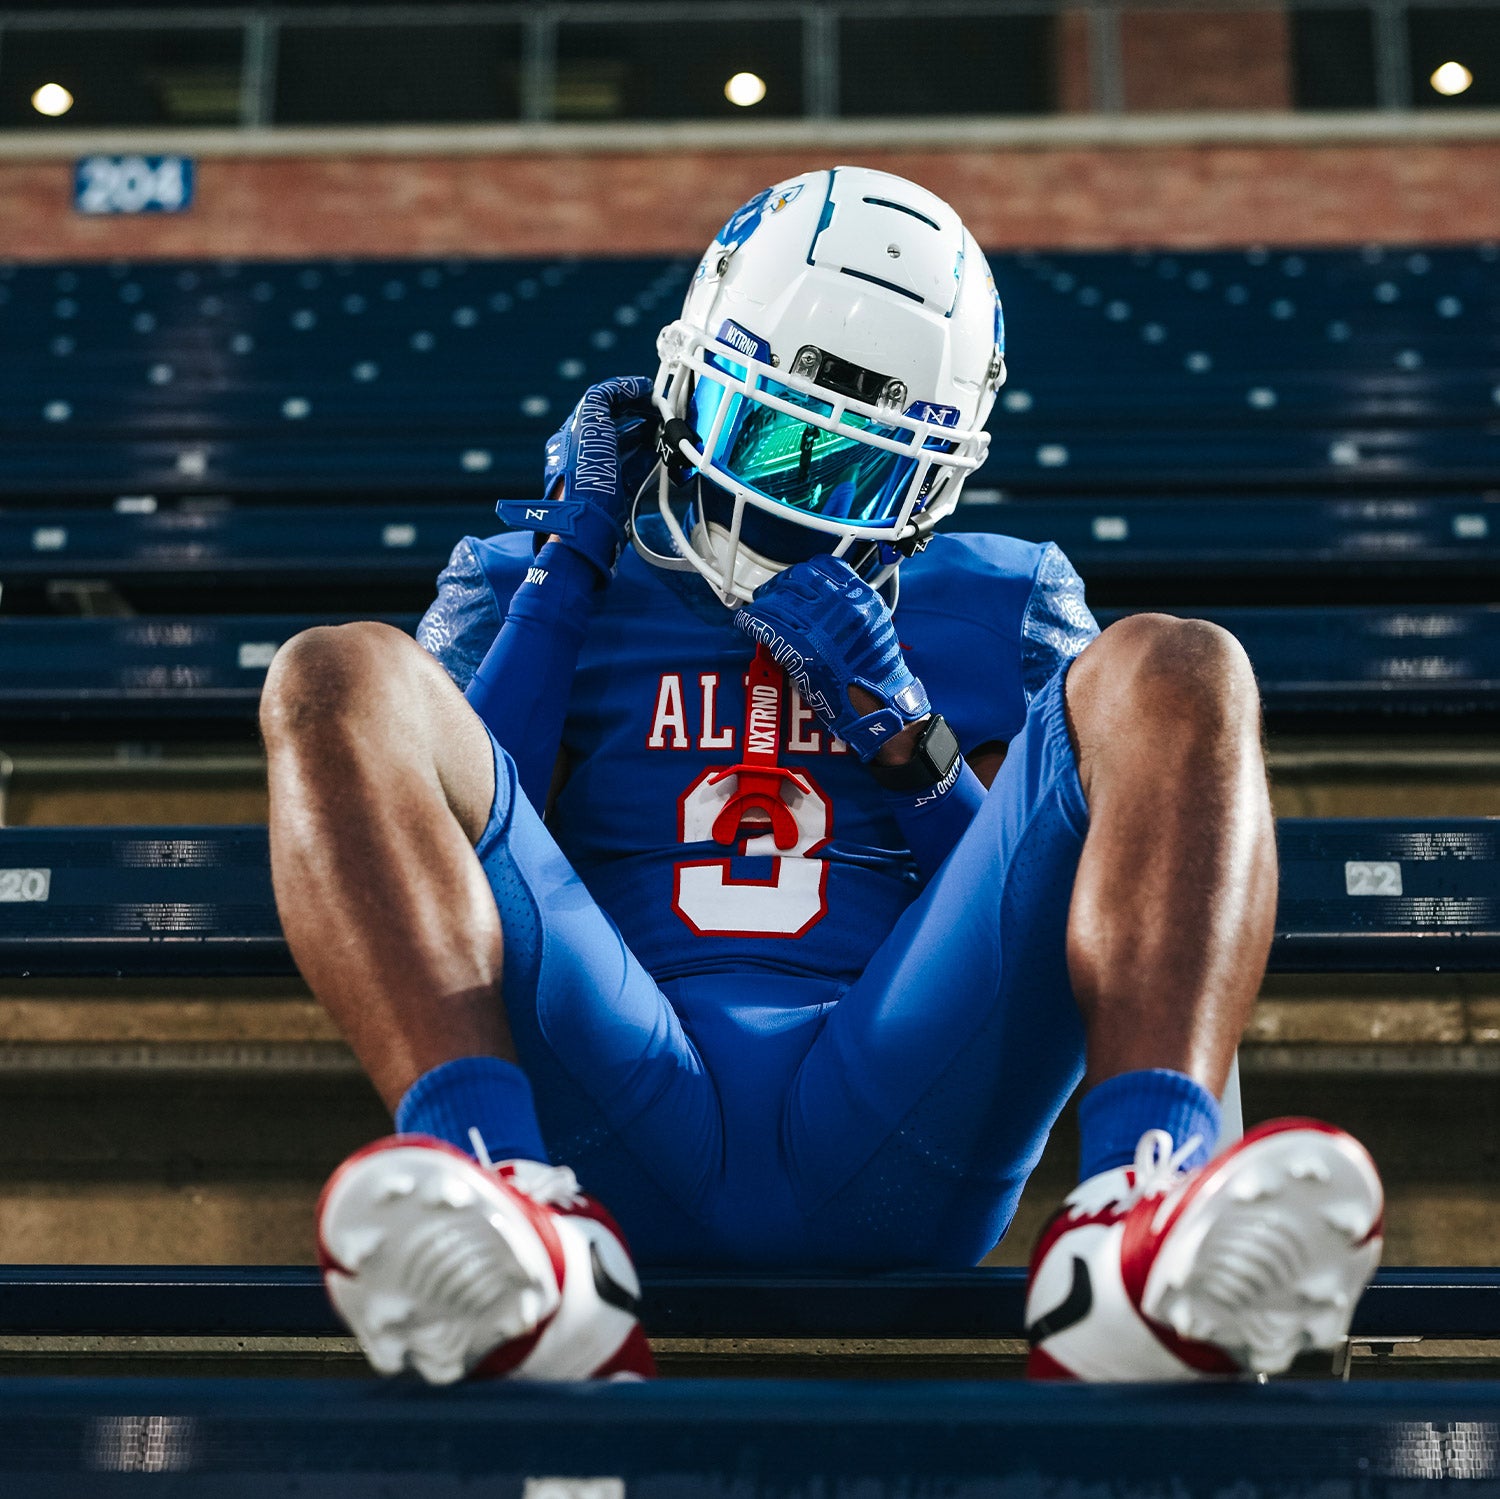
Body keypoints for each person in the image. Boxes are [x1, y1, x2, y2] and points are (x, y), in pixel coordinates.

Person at [262, 166, 1383, 1386]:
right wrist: (568, 573)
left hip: (905, 1114)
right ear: (688, 380)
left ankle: (1141, 1208)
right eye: (771, 434)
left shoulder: (1003, 593)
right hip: (601, 1106)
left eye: (860, 474)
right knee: (336, 676)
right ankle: (496, 1190)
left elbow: (1059, 923)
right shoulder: (527, 573)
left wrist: (908, 742)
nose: (792, 500)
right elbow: (454, 829)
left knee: (1180, 667)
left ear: (938, 480)